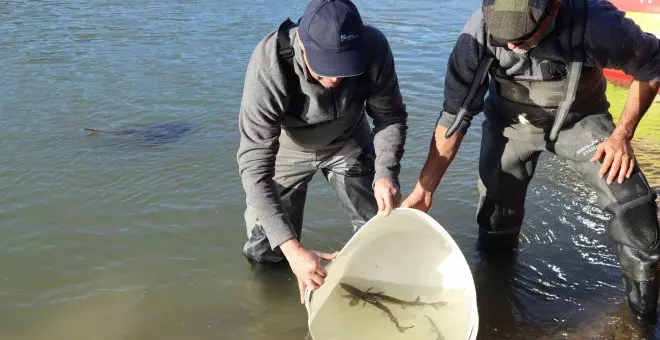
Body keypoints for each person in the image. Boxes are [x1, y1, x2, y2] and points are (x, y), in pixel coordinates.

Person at [402, 0, 660, 321]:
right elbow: (455, 115)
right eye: (503, 37)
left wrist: (622, 135)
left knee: (637, 214)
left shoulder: (600, 24)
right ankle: (496, 312)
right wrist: (424, 189)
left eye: (522, 37)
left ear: (554, 9)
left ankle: (641, 321)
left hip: (581, 120)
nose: (510, 45)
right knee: (495, 221)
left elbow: (652, 66)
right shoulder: (479, 30)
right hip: (510, 124)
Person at [236, 0, 407, 303]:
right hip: (287, 150)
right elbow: (254, 165)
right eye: (325, 66)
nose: (335, 78)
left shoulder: (374, 46)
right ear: (302, 42)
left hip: (348, 140)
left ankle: (371, 291)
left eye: (345, 68)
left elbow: (390, 116)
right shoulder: (270, 61)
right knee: (266, 250)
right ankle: (276, 310)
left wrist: (385, 173)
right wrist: (291, 248)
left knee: (379, 227)